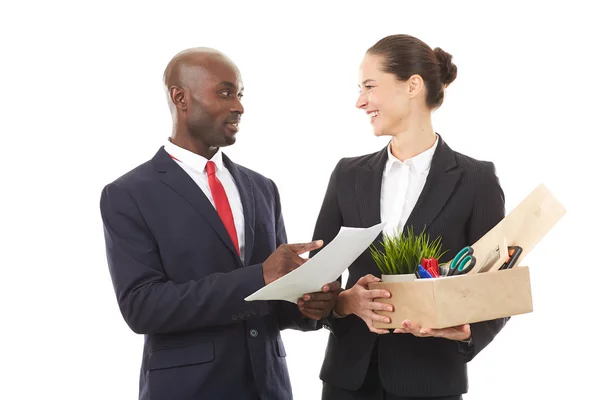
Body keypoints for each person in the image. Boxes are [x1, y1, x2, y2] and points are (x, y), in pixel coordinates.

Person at [100, 47, 340, 400]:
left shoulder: (262, 187)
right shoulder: (129, 194)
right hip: (189, 390)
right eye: (226, 92)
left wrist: (308, 306)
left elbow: (273, 301)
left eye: (240, 95)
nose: (239, 106)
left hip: (269, 387)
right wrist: (260, 275)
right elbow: (142, 307)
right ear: (180, 97)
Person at [311, 34, 508, 400]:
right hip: (348, 380)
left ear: (412, 85)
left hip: (430, 380)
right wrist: (344, 303)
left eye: (369, 86)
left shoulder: (476, 179)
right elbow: (317, 279)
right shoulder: (348, 175)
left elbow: (498, 286)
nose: (360, 101)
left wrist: (467, 330)